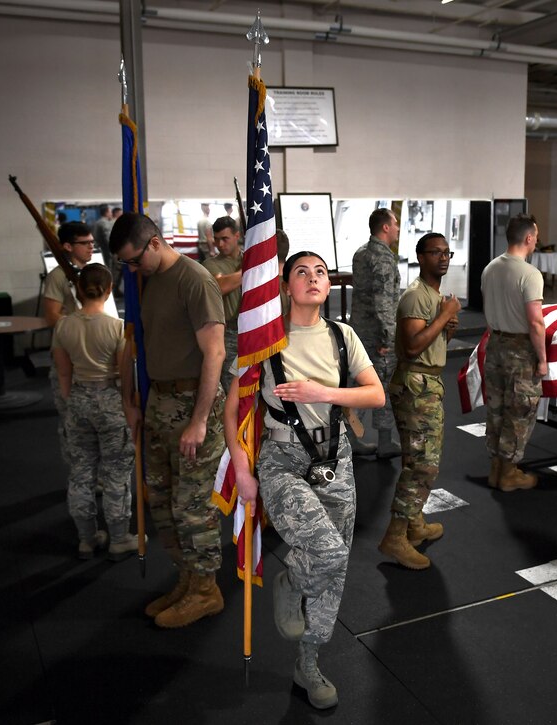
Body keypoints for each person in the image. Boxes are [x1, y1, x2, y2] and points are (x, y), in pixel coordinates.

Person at [225, 251, 384, 710]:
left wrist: (324, 393)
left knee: (335, 572)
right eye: (302, 272)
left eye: (320, 273)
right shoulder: (265, 341)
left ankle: (309, 662)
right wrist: (240, 466)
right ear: (285, 286)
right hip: (283, 460)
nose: (313, 279)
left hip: (336, 457)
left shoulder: (342, 335)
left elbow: (375, 393)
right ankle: (290, 584)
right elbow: (230, 409)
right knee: (326, 551)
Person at [110, 213, 227, 629]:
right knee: (160, 499)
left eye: (135, 260)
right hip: (159, 400)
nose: (132, 270)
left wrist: (198, 421)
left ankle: (206, 590)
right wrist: (132, 399)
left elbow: (215, 353)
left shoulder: (194, 280)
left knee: (192, 506)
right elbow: (139, 342)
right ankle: (187, 578)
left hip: (194, 403)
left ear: (155, 244)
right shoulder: (150, 280)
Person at [378, 233, 461, 570]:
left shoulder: (434, 296)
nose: (443, 258)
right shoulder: (415, 297)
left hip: (427, 382)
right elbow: (411, 348)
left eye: (446, 252)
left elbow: (431, 341)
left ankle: (413, 523)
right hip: (416, 384)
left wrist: (446, 325)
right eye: (435, 253)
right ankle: (396, 536)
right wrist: (444, 317)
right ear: (420, 257)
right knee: (423, 464)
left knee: (419, 458)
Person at [51, 263, 140, 561]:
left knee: (81, 472)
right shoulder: (116, 327)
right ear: (109, 289)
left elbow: (63, 374)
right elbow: (124, 376)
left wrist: (72, 402)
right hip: (111, 403)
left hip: (78, 400)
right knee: (116, 473)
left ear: (78, 290)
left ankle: (86, 538)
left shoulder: (63, 325)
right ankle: (119, 537)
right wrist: (130, 410)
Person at [482, 213, 547, 492]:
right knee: (520, 410)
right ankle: (508, 472)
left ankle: (496, 468)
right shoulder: (529, 274)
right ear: (529, 238)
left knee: (496, 409)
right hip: (520, 350)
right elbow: (535, 321)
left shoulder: (490, 268)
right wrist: (542, 359)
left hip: (494, 345)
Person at [43, 222, 96, 471]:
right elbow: (51, 315)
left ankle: (96, 474)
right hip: (68, 355)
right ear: (67, 246)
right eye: (84, 243)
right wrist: (80, 327)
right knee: (70, 418)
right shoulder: (58, 276)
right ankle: (79, 473)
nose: (91, 247)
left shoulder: (94, 272)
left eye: (91, 242)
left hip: (95, 356)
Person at [349, 208, 402, 458]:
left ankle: (350, 437)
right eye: (395, 224)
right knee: (383, 386)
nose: (398, 228)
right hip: (377, 337)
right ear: (385, 227)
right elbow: (383, 302)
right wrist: (388, 339)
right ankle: (384, 442)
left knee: (357, 384)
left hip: (359, 332)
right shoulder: (382, 257)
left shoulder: (361, 253)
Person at [203, 216, 244, 394]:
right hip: (228, 331)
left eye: (225, 239)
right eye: (217, 239)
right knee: (230, 386)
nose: (220, 244)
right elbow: (220, 286)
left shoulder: (250, 259)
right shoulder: (211, 264)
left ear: (237, 236)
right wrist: (250, 271)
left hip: (252, 328)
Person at [92, 204, 115, 273]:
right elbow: (108, 238)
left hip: (100, 248)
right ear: (106, 212)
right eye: (110, 212)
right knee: (109, 267)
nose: (111, 214)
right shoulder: (104, 223)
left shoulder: (98, 222)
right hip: (106, 249)